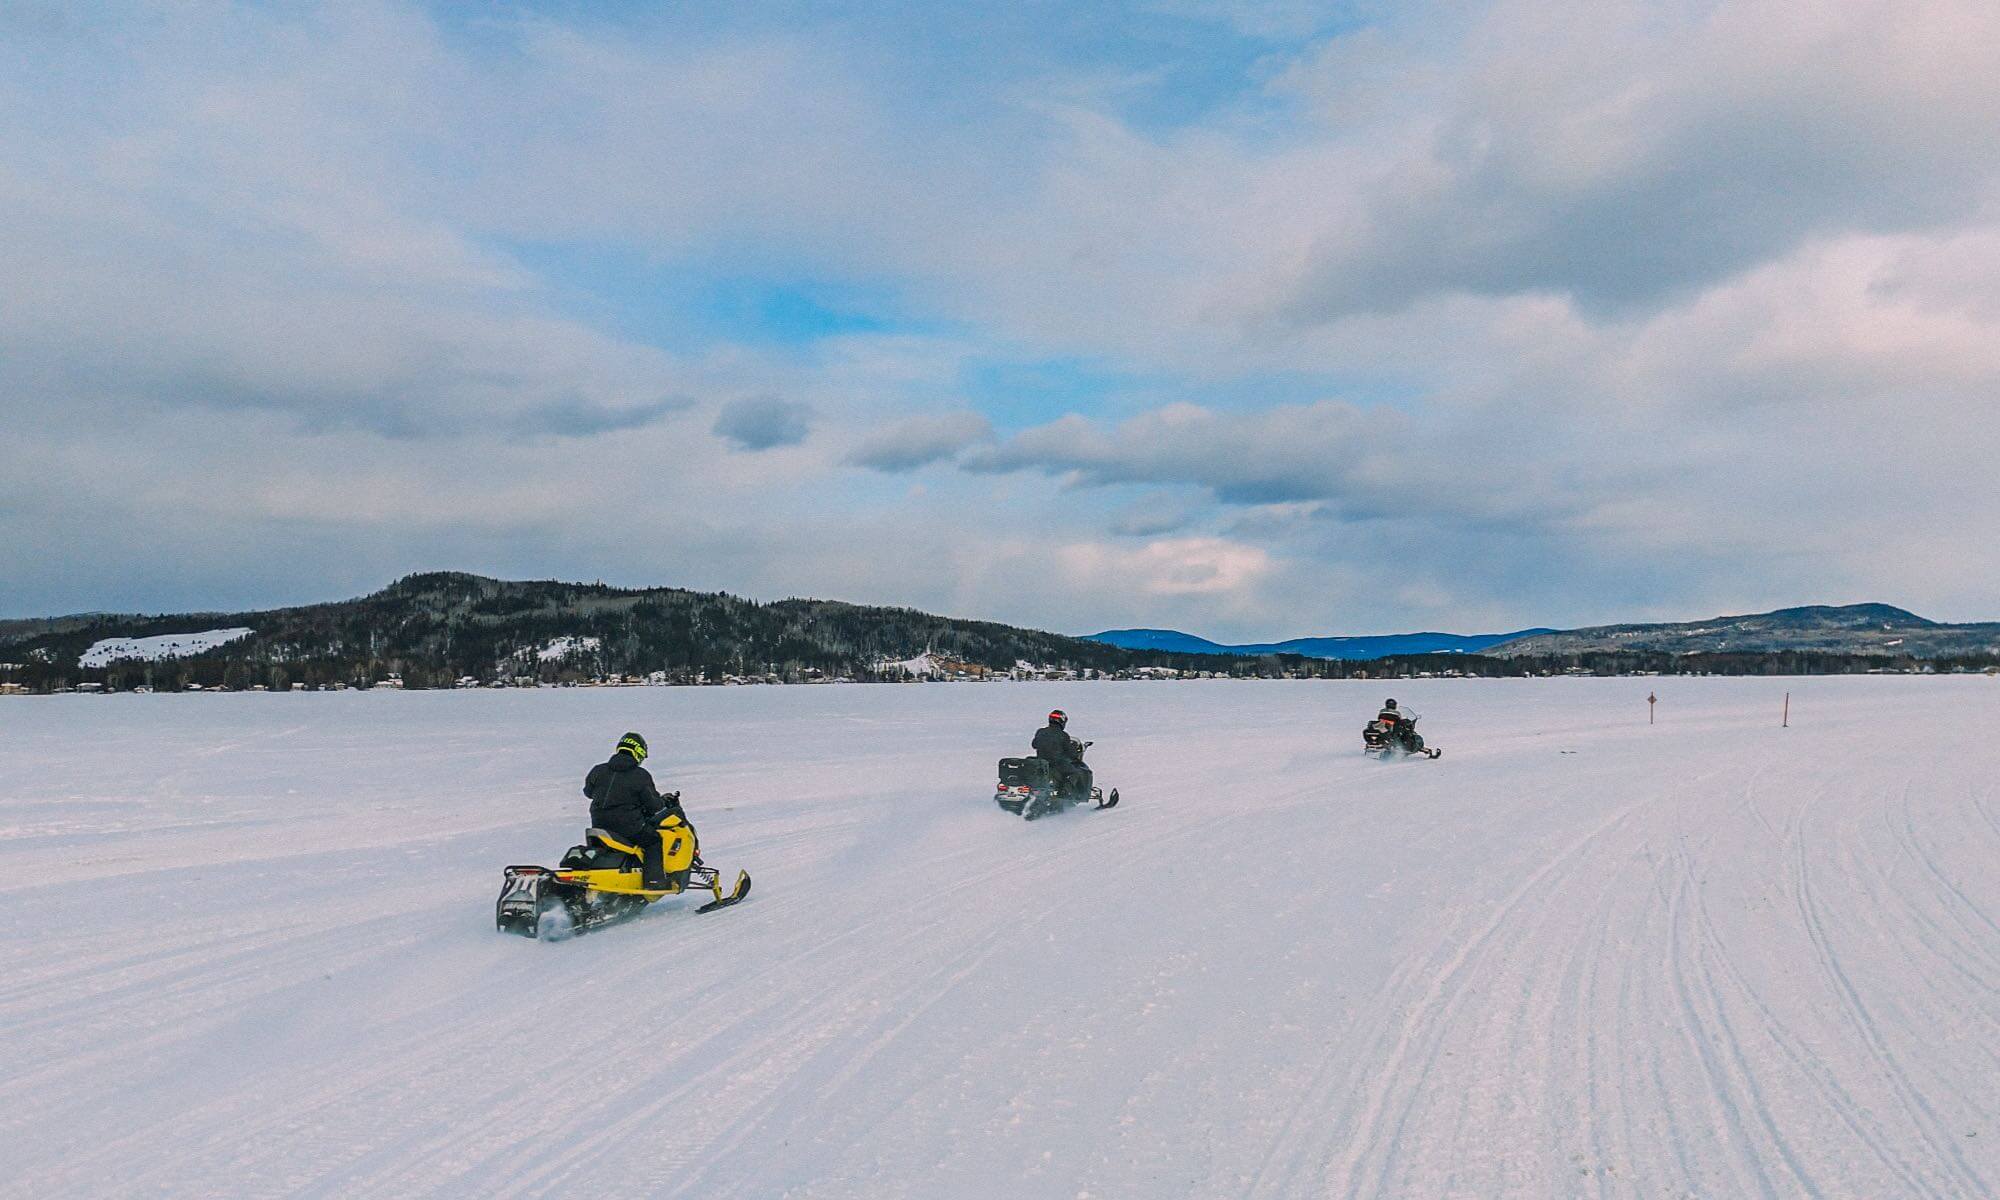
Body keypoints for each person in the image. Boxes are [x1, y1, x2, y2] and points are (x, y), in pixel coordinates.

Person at [582, 731, 687, 889]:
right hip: (628, 827)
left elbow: (588, 792)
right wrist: (664, 801)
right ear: (638, 752)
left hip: (599, 825)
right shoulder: (640, 775)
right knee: (654, 841)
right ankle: (654, 882)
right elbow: (654, 806)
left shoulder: (598, 770)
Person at [1031, 709, 1092, 801]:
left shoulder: (1040, 731)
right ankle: (1064, 794)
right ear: (1062, 721)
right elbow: (1070, 752)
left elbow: (1034, 744)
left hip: (1041, 762)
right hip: (1056, 763)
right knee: (1074, 772)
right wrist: (1074, 753)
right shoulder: (1063, 735)